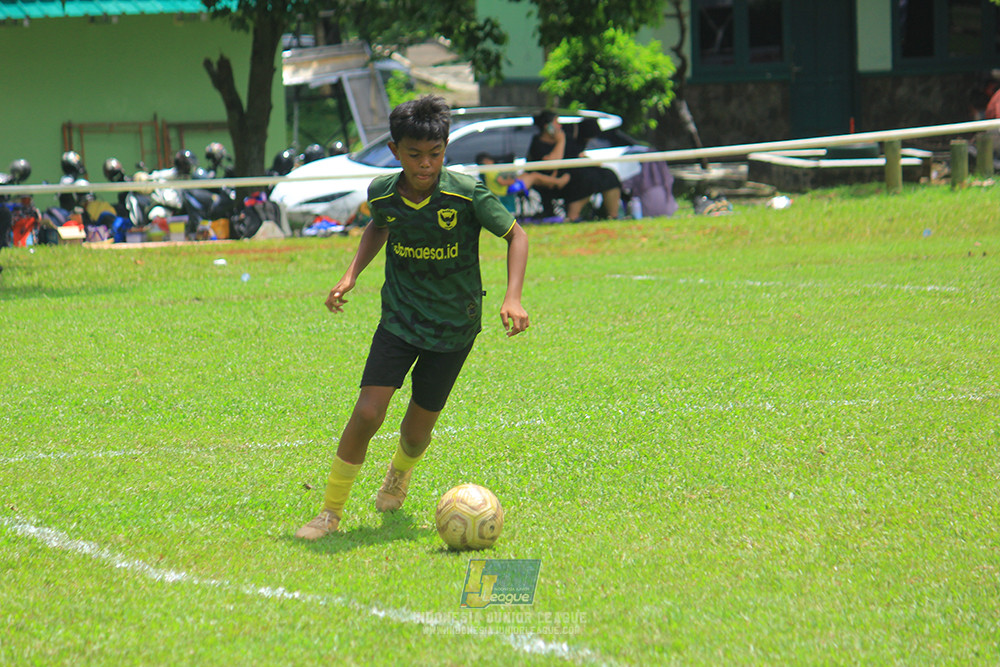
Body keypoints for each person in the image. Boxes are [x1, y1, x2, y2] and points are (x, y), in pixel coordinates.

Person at [295, 95, 530, 540]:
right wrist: (351, 273)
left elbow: (516, 236)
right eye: (415, 155)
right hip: (400, 320)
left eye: (435, 154)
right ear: (395, 151)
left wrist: (512, 297)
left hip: (454, 325)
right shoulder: (382, 192)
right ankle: (329, 512)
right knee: (367, 412)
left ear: (445, 149)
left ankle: (398, 475)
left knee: (417, 433)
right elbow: (379, 224)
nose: (425, 164)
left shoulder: (466, 192)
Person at [527, 111, 622, 222]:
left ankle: (612, 216)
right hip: (554, 182)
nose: (560, 126)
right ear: (547, 126)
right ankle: (573, 217)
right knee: (584, 179)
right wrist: (561, 141)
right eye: (556, 123)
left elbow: (576, 155)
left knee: (608, 174)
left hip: (573, 173)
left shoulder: (569, 138)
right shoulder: (538, 144)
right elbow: (552, 164)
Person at [475, 152, 570, 214]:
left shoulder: (485, 172)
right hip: (508, 189)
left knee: (529, 175)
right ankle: (558, 182)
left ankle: (551, 181)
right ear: (487, 161)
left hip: (506, 188)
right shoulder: (490, 171)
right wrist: (511, 181)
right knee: (534, 176)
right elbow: (502, 181)